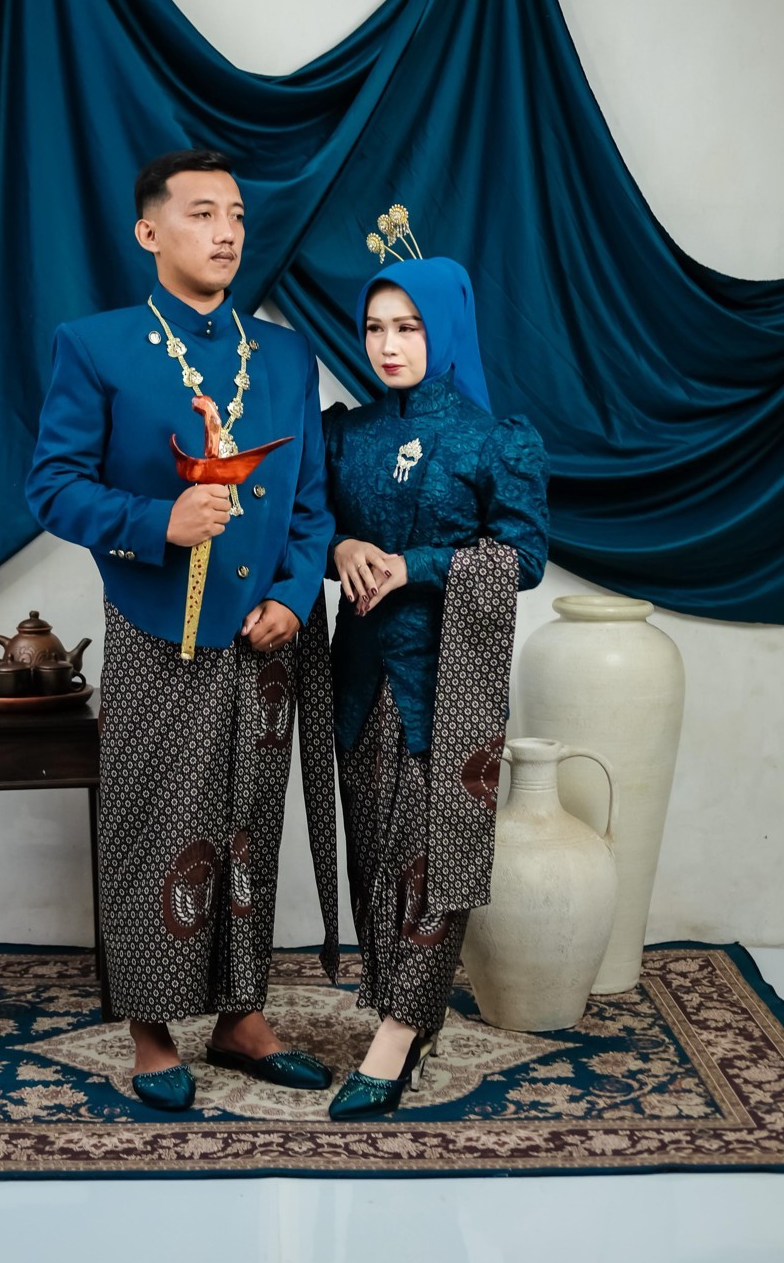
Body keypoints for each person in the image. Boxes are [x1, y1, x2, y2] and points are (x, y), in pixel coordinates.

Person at [27, 149, 337, 1112]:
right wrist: (156, 522)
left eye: (236, 215)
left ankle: (243, 1016)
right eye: (203, 213)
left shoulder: (287, 355)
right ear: (149, 231)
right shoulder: (96, 345)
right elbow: (53, 486)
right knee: (154, 823)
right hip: (156, 623)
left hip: (267, 632)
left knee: (251, 826)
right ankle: (152, 1029)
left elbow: (311, 502)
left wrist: (295, 593)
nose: (227, 232)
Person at [322, 255, 549, 1119]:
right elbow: (311, 524)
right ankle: (405, 1013)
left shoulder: (495, 441)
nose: (389, 345)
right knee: (375, 854)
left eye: (409, 327)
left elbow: (523, 556)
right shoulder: (346, 434)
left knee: (434, 856)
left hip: (448, 678)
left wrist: (413, 565)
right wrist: (342, 547)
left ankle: (393, 1036)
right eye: (376, 328)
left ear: (445, 328)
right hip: (359, 673)